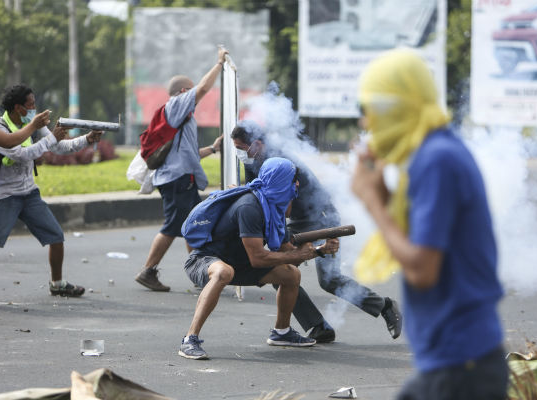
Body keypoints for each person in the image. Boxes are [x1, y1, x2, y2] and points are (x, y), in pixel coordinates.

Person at [350, 49, 508, 400]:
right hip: (457, 360)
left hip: (460, 365)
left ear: (393, 107)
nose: (365, 123)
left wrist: (373, 202)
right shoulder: (435, 153)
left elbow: (422, 269)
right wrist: (385, 197)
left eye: (368, 110)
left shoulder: (436, 161)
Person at [230, 121, 402, 343]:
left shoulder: (282, 162)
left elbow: (283, 202)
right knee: (281, 272)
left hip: (320, 216)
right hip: (298, 219)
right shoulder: (253, 160)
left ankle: (385, 306)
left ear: (257, 144)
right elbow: (255, 195)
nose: (239, 153)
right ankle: (318, 326)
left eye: (241, 148)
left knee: (328, 279)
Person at [179, 157, 339, 359]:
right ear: (280, 182)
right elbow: (258, 259)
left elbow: (287, 254)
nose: (297, 185)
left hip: (241, 264)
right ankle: (189, 339)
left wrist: (320, 250)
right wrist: (298, 253)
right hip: (205, 260)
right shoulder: (250, 207)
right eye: (293, 180)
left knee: (291, 274)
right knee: (223, 272)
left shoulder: (274, 209)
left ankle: (281, 332)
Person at [0, 84, 103, 297]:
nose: (34, 108)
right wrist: (51, 137)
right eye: (30, 104)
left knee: (56, 236)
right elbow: (22, 154)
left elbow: (59, 147)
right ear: (18, 108)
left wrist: (86, 139)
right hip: (6, 195)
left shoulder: (32, 123)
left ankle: (57, 283)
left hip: (29, 192)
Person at [134, 47, 227, 292]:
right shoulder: (176, 105)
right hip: (177, 180)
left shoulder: (180, 117)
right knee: (173, 226)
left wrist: (213, 149)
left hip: (180, 178)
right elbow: (204, 89)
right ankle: (148, 270)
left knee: (192, 225)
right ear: (184, 92)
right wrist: (219, 64)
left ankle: (199, 274)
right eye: (191, 90)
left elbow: (187, 154)